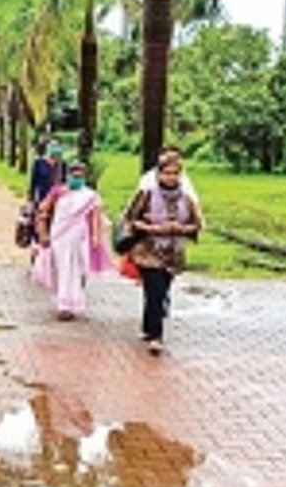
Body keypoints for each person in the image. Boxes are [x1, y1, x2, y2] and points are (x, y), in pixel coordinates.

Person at [124, 160, 202, 355]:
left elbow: (197, 224)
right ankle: (156, 336)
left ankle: (148, 325)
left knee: (159, 292)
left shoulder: (186, 198)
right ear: (158, 175)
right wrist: (153, 228)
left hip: (173, 252)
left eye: (175, 174)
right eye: (167, 173)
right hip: (149, 251)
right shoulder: (147, 195)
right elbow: (131, 219)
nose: (171, 177)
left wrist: (181, 228)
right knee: (155, 290)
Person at [34, 161, 112, 320]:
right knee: (61, 269)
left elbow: (95, 216)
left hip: (80, 238)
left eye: (80, 176)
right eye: (73, 176)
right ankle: (63, 305)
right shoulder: (57, 192)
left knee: (79, 269)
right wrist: (42, 233)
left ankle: (74, 300)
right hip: (60, 236)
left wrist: (96, 237)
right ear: (67, 176)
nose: (76, 179)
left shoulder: (90, 196)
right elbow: (44, 210)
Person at [29, 141, 66, 211]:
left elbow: (64, 182)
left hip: (57, 197)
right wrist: (31, 196)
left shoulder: (62, 164)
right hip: (42, 196)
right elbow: (33, 181)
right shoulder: (39, 162)